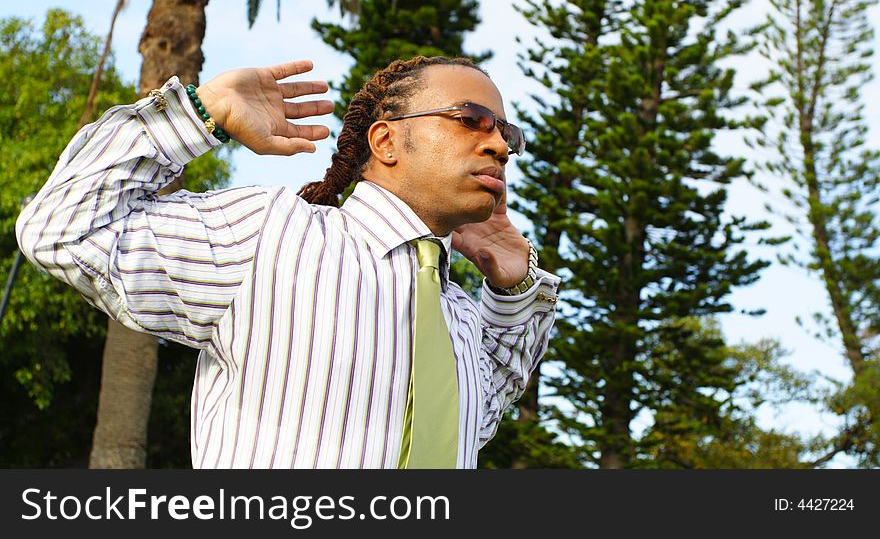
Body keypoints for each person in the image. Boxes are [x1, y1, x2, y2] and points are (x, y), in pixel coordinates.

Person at [16, 55, 560, 469]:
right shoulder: (271, 235)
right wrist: (200, 113)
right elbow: (63, 230)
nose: (500, 147)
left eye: (506, 133)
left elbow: (476, 417)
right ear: (387, 140)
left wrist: (515, 290)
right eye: (472, 120)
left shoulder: (460, 314)